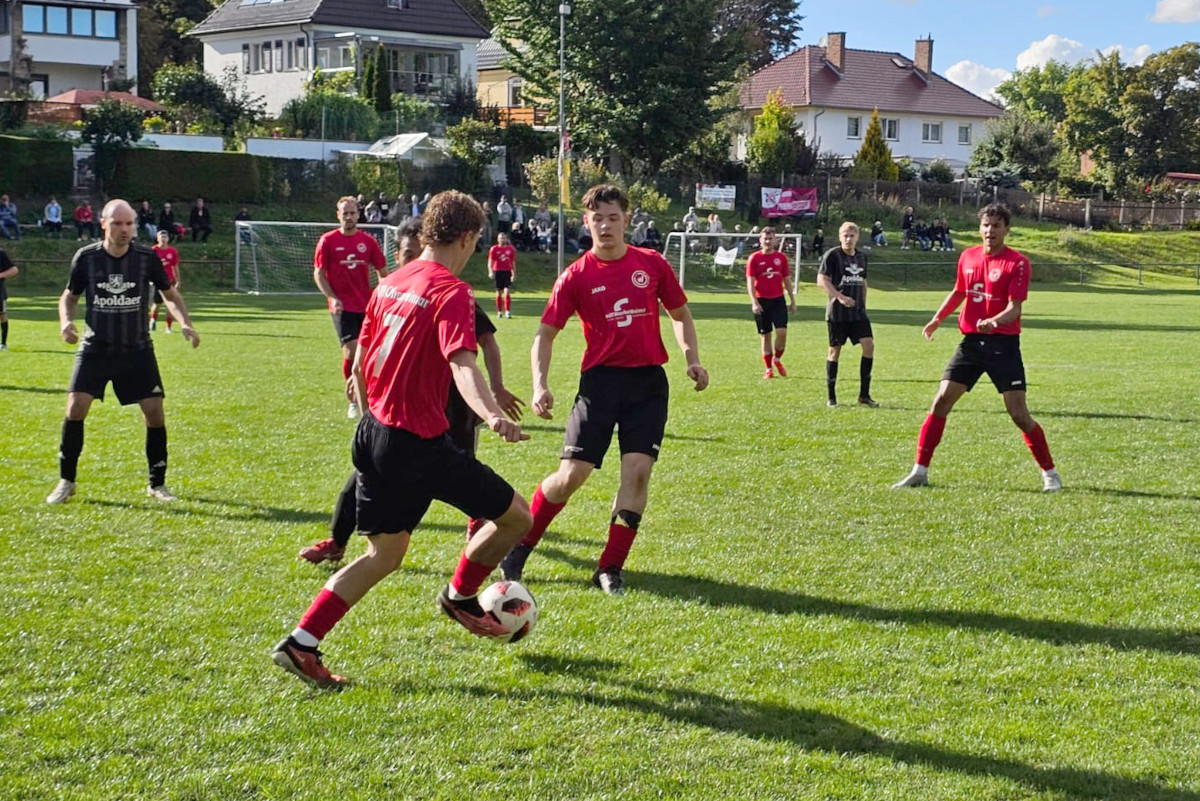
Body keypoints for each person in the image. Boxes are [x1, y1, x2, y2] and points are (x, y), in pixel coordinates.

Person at [271, 191, 533, 689]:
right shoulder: (450, 291)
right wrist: (492, 414)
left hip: (373, 432)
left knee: (383, 555)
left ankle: (301, 643)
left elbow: (363, 359)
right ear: (467, 237)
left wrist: (375, 411)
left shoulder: (392, 281)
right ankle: (459, 596)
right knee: (518, 516)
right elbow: (463, 363)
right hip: (418, 443)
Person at [499, 184, 710, 595]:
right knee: (571, 475)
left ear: (626, 220)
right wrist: (540, 384)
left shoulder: (652, 264)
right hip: (600, 385)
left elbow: (680, 314)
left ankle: (610, 567)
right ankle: (520, 545)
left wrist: (691, 358)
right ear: (587, 223)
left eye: (614, 217)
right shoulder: (575, 276)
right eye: (599, 219)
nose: (607, 226)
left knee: (638, 472)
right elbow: (544, 336)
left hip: (648, 383)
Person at [299, 217, 525, 565]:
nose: (411, 260)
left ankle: (475, 544)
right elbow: (366, 353)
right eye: (406, 254)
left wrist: (495, 391)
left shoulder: (449, 292)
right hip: (403, 419)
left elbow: (483, 346)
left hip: (453, 408)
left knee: (469, 478)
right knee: (364, 484)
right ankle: (338, 541)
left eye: (416, 253)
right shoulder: (395, 287)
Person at [892, 203, 1061, 492]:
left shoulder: (1017, 263)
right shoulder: (967, 256)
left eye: (996, 225)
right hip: (971, 343)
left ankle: (1050, 474)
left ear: (1007, 229)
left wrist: (994, 322)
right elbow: (959, 291)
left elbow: (1015, 308)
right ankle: (920, 470)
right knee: (941, 400)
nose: (990, 230)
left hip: (1003, 344)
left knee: (1018, 414)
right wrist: (936, 319)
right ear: (979, 227)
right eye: (986, 225)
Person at [46, 200, 200, 505]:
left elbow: (169, 294)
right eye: (117, 223)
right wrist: (66, 322)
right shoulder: (86, 258)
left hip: (137, 348)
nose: (124, 229)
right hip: (96, 347)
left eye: (129, 223)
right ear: (103, 224)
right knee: (75, 407)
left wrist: (185, 323)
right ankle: (67, 481)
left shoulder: (146, 257)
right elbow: (69, 296)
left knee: (154, 413)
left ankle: (157, 484)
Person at [313, 195, 389, 419]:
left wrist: (385, 295)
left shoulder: (369, 242)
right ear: (338, 215)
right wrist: (332, 297)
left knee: (369, 354)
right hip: (341, 307)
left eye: (352, 213)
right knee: (352, 351)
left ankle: (369, 394)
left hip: (366, 306)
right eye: (344, 213)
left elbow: (382, 273)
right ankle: (354, 400)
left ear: (359, 215)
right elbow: (318, 273)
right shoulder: (327, 241)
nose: (348, 217)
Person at [817, 222, 878, 408]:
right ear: (839, 236)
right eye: (845, 235)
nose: (848, 239)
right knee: (834, 351)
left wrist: (863, 304)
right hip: (838, 313)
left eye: (851, 235)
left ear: (857, 237)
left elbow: (863, 282)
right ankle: (832, 397)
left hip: (858, 313)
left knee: (869, 345)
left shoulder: (861, 257)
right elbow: (821, 280)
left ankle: (864, 395)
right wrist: (840, 297)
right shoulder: (833, 255)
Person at [745, 226, 797, 379]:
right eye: (765, 238)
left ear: (775, 240)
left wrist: (792, 301)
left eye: (770, 238)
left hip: (778, 300)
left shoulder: (781, 258)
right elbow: (750, 282)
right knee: (765, 335)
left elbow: (786, 280)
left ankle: (777, 359)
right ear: (760, 240)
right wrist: (754, 302)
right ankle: (768, 368)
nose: (768, 241)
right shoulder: (754, 258)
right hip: (761, 300)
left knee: (782, 332)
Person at [149, 229, 180, 333]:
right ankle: (153, 320)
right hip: (157, 281)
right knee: (156, 304)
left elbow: (175, 266)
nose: (163, 239)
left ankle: (168, 327)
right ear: (157, 238)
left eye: (165, 237)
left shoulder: (172, 251)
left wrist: (178, 280)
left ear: (168, 239)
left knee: (170, 304)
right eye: (161, 237)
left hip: (169, 281)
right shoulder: (153, 250)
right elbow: (148, 266)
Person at [488, 230, 516, 318]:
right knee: (498, 292)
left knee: (507, 291)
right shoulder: (494, 249)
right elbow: (490, 262)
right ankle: (499, 312)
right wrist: (490, 271)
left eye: (504, 238)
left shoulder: (510, 249)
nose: (502, 240)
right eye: (501, 238)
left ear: (506, 239)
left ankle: (507, 311)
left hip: (507, 271)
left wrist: (514, 274)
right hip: (498, 271)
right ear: (497, 239)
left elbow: (513, 262)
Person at [0, 247, 16, 350]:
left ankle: (3, 344)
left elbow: (14, 270)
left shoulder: (0, 253)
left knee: (2, 315)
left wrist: (1, 275)